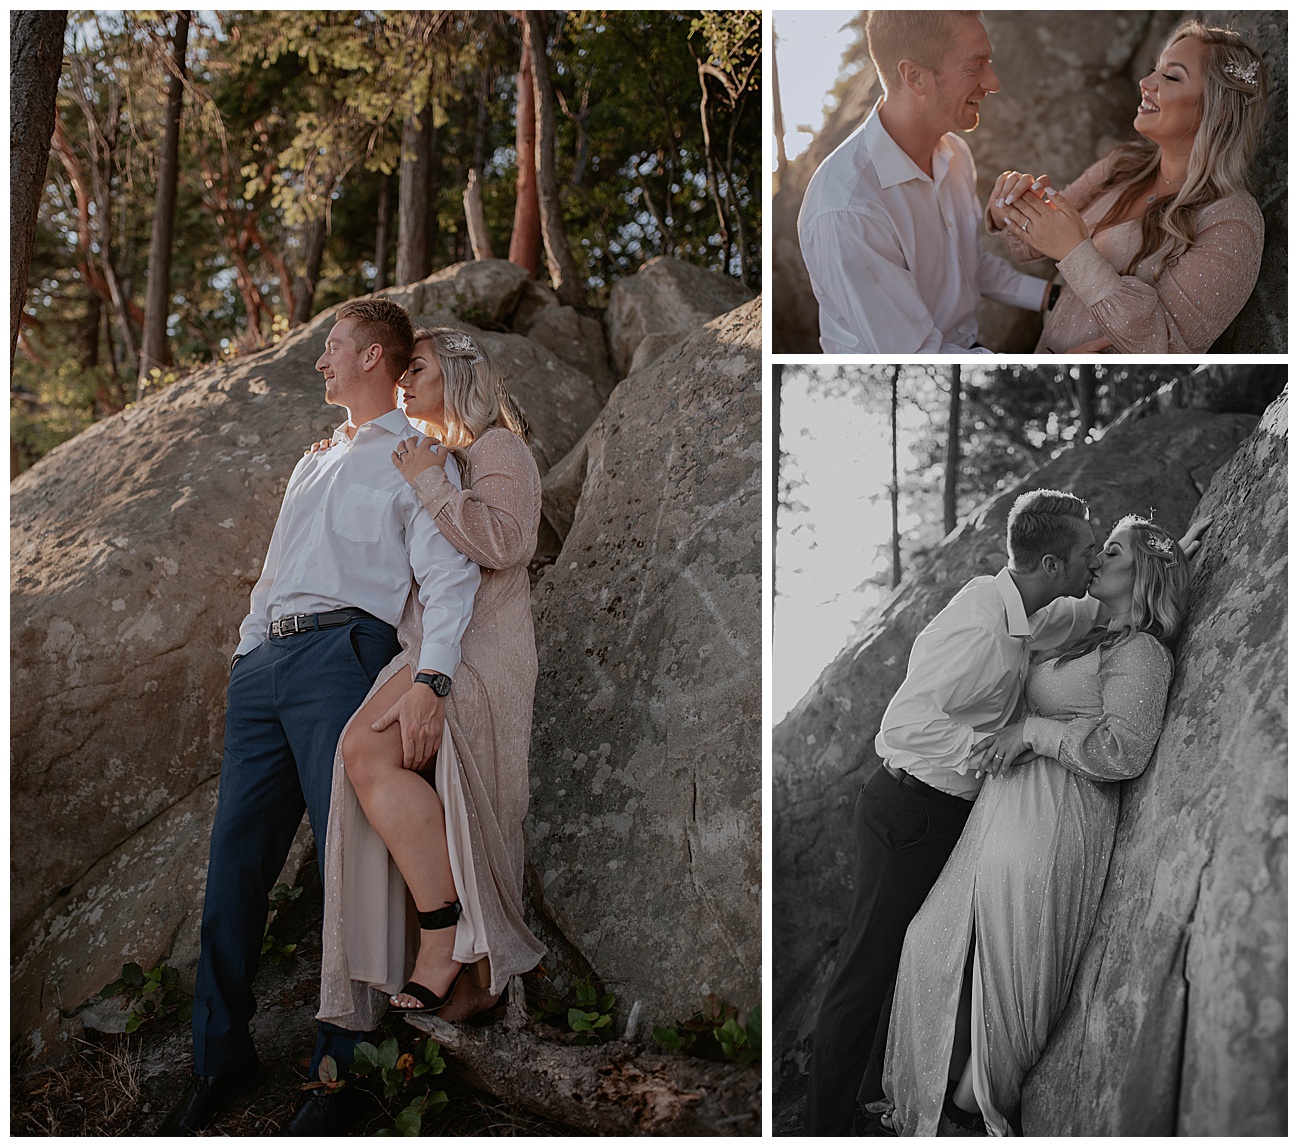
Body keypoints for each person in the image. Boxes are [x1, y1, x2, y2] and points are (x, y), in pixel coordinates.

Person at [158, 300, 480, 1136]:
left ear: (375, 356)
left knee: (352, 868)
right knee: (234, 862)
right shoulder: (315, 458)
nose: (320, 361)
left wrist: (433, 679)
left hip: (343, 655)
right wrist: (246, 649)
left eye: (332, 346)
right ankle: (216, 1058)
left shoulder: (414, 456)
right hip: (264, 668)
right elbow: (275, 570)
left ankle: (342, 1073)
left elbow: (450, 576)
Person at [803, 490, 1103, 1136]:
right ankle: (818, 1124)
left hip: (938, 812)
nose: (1094, 564)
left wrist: (1162, 564)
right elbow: (906, 722)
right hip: (908, 812)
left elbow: (1068, 621)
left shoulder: (1019, 609)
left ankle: (870, 1104)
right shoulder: (980, 625)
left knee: (912, 958)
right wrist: (991, 748)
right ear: (1051, 563)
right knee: (867, 972)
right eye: (1086, 555)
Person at [883, 517, 1191, 1136]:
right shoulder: (1092, 635)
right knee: (931, 941)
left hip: (1057, 816)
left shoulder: (1142, 653)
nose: (1095, 559)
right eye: (1093, 549)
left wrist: (1034, 733)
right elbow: (1054, 613)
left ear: (1143, 572)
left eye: (1111, 550)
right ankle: (936, 1098)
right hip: (1002, 813)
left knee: (1011, 963)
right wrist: (1186, 538)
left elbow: (1124, 751)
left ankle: (974, 1105)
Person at [314, 328, 545, 1061]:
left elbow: (507, 542)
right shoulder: (424, 454)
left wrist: (430, 481)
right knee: (367, 755)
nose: (404, 381)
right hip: (425, 650)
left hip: (483, 655)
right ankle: (461, 964)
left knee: (371, 751)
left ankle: (448, 941)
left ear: (459, 371)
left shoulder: (497, 450)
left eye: (417, 367)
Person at [989, 22, 1267, 353]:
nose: (1145, 83)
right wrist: (1006, 209)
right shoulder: (1120, 165)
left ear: (1218, 110)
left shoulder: (1231, 221)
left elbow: (1164, 347)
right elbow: (1031, 247)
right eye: (1154, 70)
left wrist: (1074, 251)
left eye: (1171, 77)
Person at [798, 10, 1049, 353]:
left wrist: (1049, 296)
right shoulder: (847, 210)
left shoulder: (955, 153)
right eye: (975, 66)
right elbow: (914, 355)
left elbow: (965, 265)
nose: (993, 82)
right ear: (914, 76)